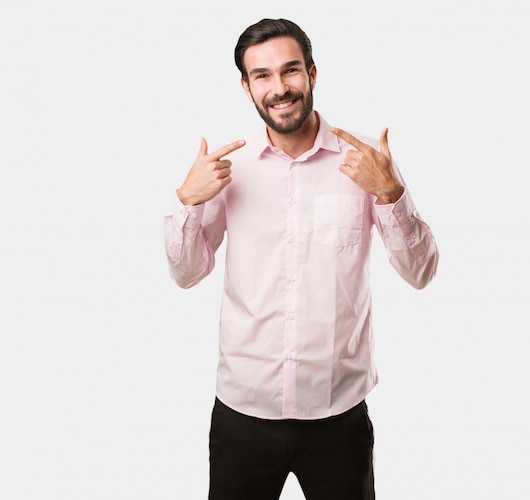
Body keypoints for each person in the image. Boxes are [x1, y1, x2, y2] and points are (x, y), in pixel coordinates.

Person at [164, 18, 439, 499]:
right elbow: (186, 274)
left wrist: (392, 194)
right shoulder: (230, 168)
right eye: (263, 76)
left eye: (290, 71)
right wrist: (187, 201)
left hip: (338, 413)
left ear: (313, 74)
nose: (280, 88)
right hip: (242, 413)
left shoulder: (367, 161)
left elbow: (420, 273)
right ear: (247, 87)